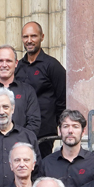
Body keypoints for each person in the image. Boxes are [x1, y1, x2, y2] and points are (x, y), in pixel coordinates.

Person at [14, 22, 66, 158]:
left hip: (45, 133)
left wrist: (60, 125)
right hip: (20, 131)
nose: (29, 40)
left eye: (33, 36)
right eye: (25, 37)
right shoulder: (17, 67)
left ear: (42, 37)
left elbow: (63, 98)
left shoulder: (52, 65)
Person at [38, 110, 94, 187]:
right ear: (59, 131)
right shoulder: (47, 163)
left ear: (83, 132)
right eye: (65, 126)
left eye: (75, 126)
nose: (70, 131)